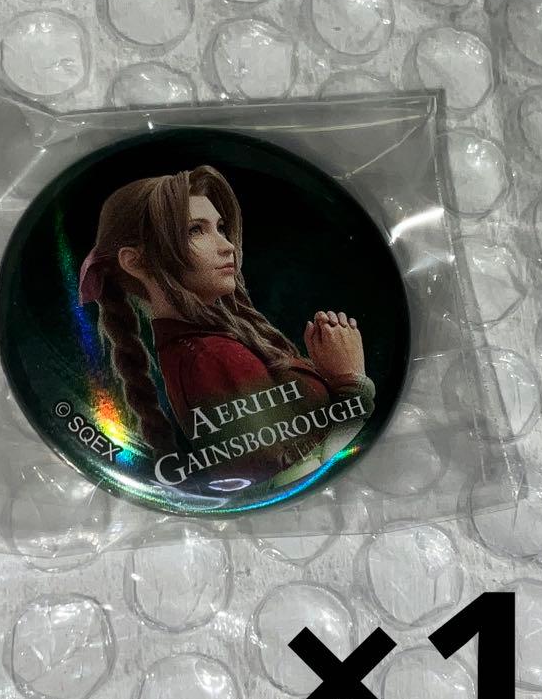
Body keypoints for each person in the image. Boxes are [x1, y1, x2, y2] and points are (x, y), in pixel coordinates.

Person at [77, 164, 375, 488]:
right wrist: (352, 385)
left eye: (220, 227)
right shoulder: (212, 356)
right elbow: (295, 483)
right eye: (196, 230)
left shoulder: (199, 347)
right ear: (135, 262)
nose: (227, 246)